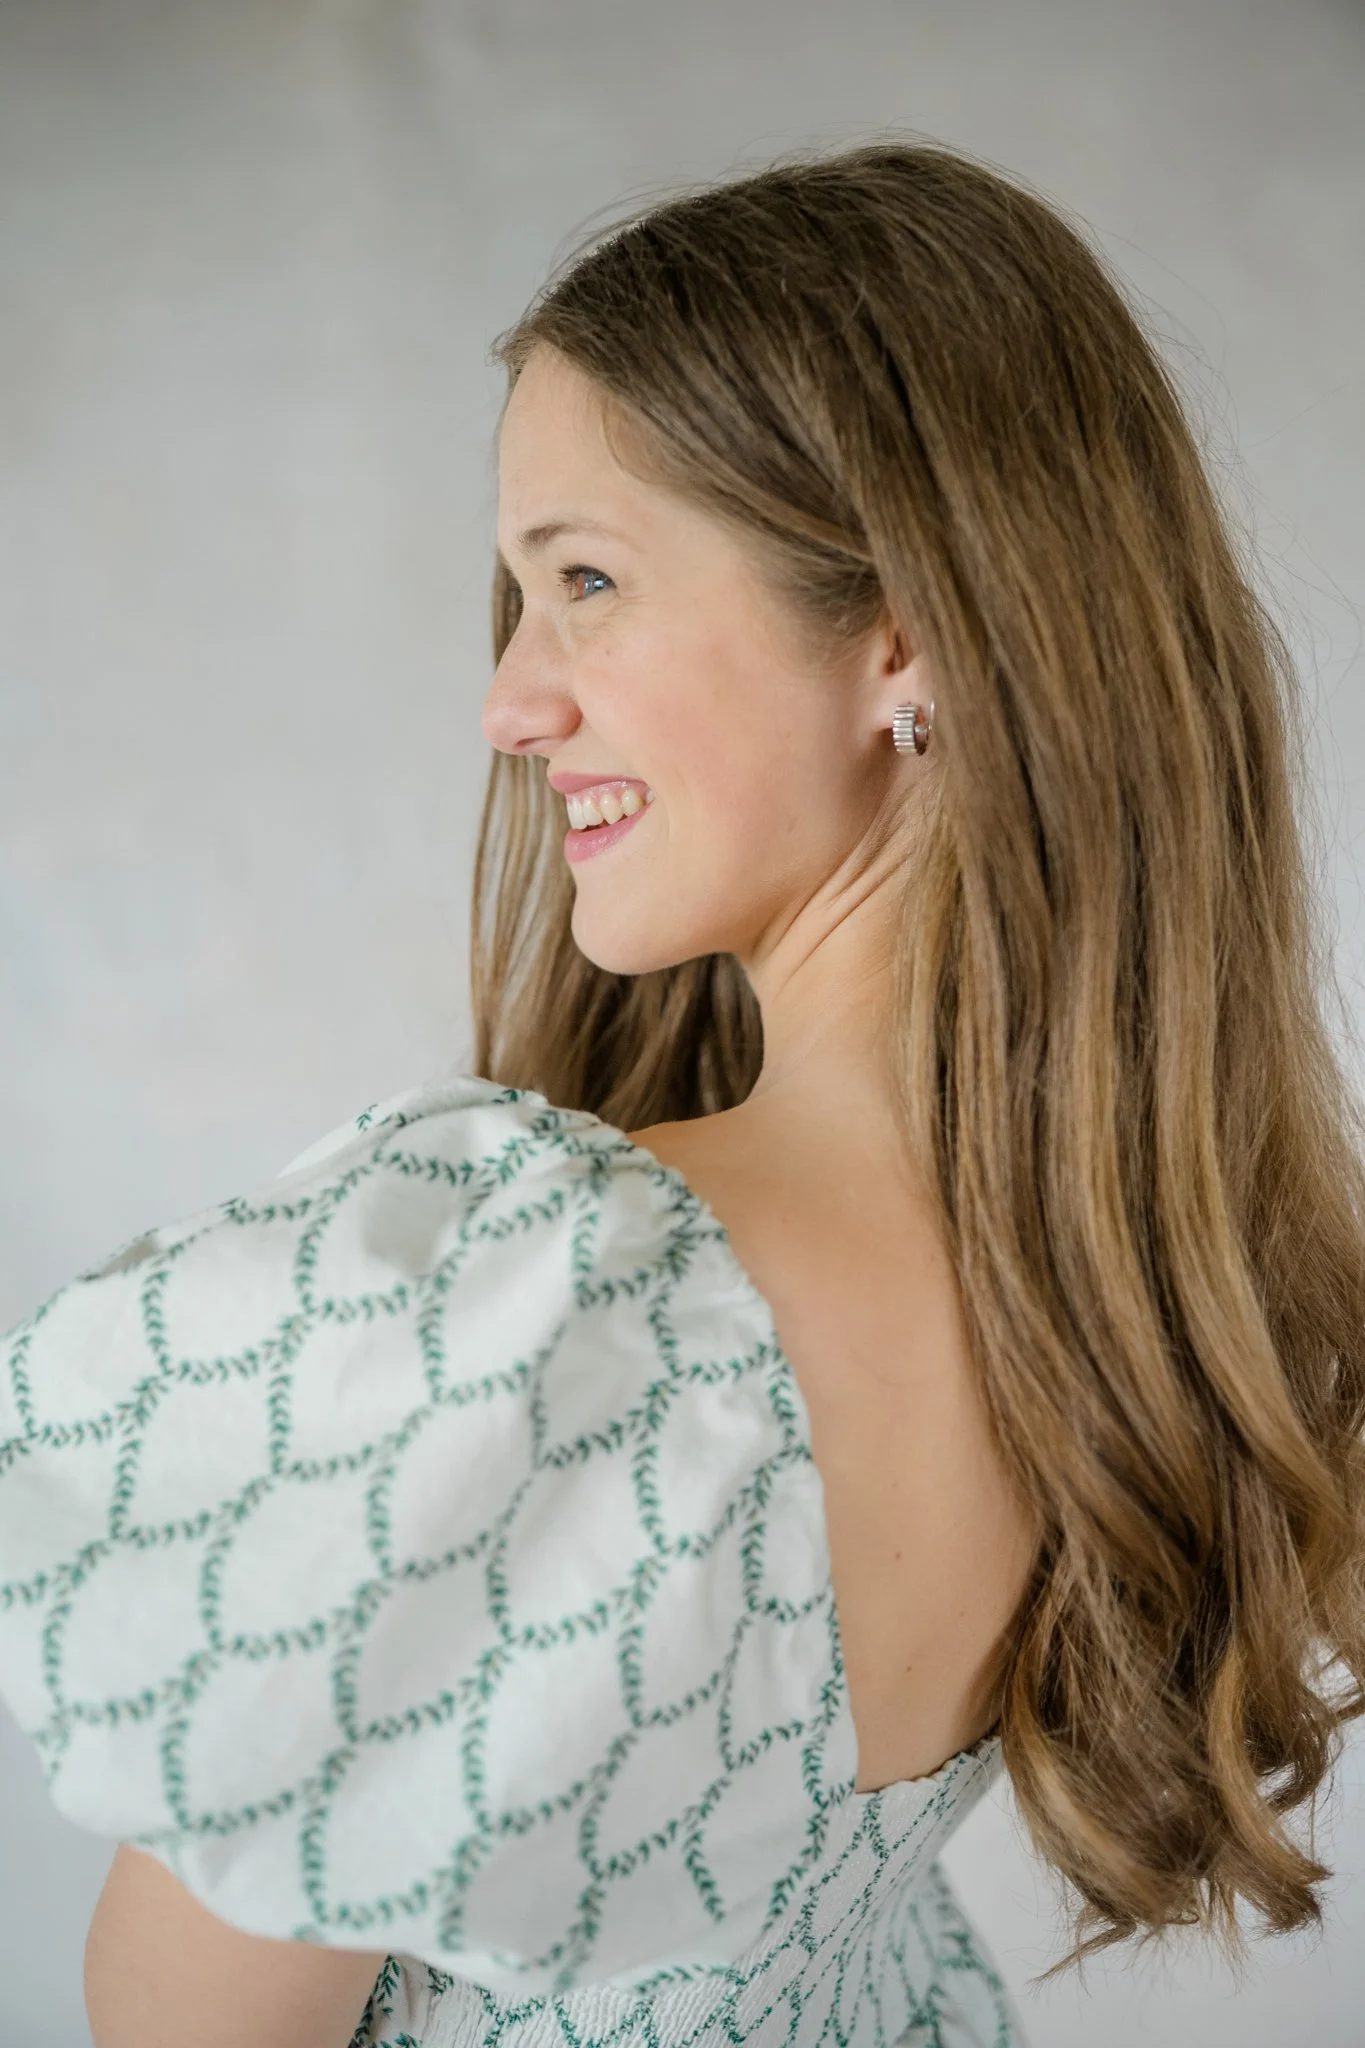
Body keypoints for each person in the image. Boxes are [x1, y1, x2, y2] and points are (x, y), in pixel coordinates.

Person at [2, 139, 1363, 2048]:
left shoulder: (548, 1314)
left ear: (904, 632)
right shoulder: (1135, 1303)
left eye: (587, 581)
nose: (510, 699)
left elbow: (181, 2029)